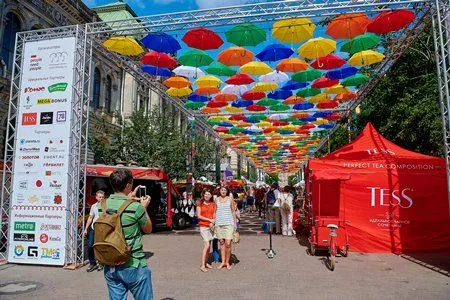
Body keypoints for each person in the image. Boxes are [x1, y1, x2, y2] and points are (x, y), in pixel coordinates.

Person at [102, 168, 153, 300]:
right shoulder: (135, 207)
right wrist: (143, 207)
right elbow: (148, 229)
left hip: (110, 263)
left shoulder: (102, 205)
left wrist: (127, 199)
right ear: (129, 185)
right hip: (133, 263)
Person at [83, 190, 105, 272]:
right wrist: (85, 229)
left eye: (103, 197)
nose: (101, 198)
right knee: (90, 245)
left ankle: (101, 262)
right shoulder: (93, 206)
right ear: (96, 197)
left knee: (100, 246)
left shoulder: (106, 206)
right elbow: (90, 218)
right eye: (100, 197)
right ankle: (92, 263)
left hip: (102, 229)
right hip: (93, 228)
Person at [214, 185, 236, 270]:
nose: (223, 191)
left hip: (229, 223)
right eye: (222, 190)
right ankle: (223, 262)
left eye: (224, 190)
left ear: (227, 191)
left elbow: (233, 211)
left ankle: (227, 262)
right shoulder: (216, 199)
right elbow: (215, 212)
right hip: (219, 223)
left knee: (228, 243)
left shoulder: (230, 199)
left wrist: (235, 224)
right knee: (222, 243)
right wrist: (213, 222)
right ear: (219, 191)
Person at [196, 189, 216, 273]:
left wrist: (213, 222)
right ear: (203, 195)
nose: (207, 196)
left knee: (209, 245)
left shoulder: (213, 204)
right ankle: (202, 265)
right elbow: (199, 216)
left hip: (211, 226)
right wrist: (209, 220)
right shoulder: (199, 203)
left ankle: (207, 262)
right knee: (207, 245)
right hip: (203, 226)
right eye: (206, 194)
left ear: (211, 195)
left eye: (209, 194)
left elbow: (214, 215)